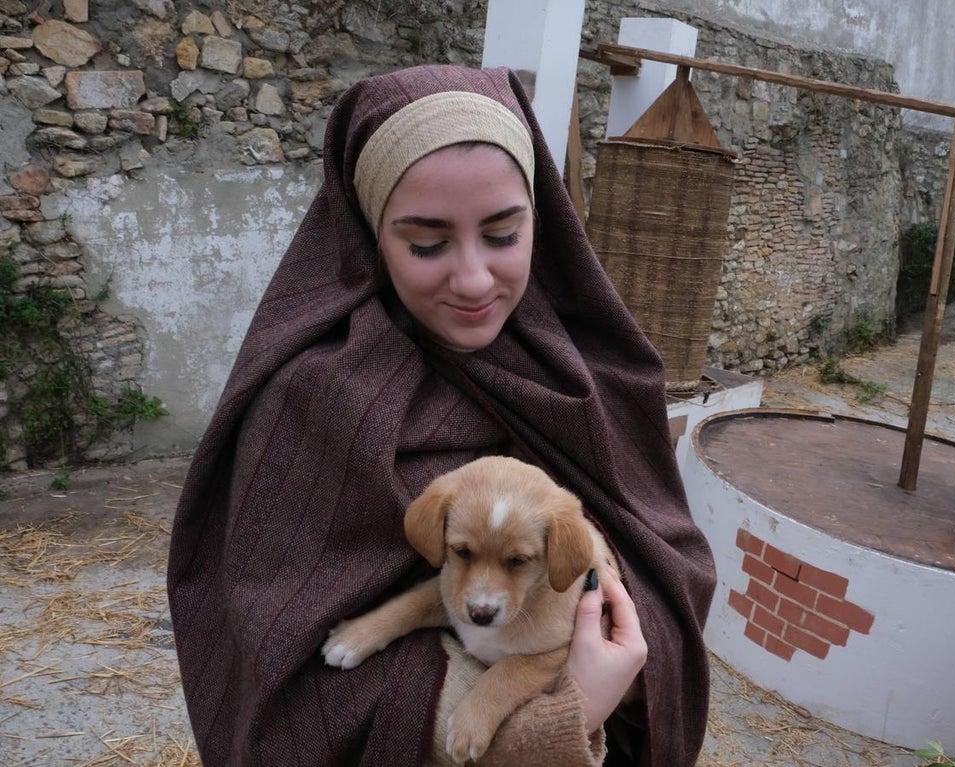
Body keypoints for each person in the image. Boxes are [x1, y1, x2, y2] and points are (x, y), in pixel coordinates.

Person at [168, 64, 717, 766]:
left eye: (503, 234)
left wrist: (632, 655)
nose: (473, 280)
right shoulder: (307, 402)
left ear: (540, 224)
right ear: (371, 235)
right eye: (425, 243)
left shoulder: (595, 372)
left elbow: (670, 563)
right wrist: (564, 707)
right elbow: (282, 687)